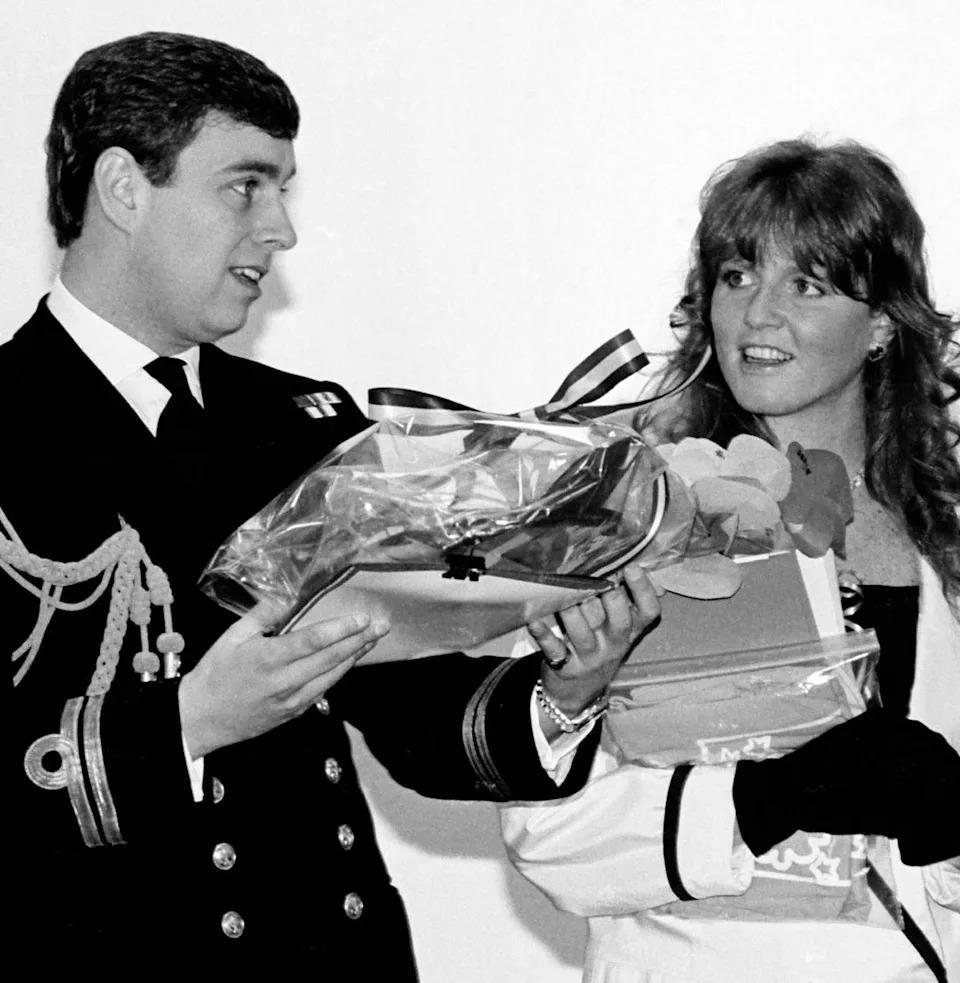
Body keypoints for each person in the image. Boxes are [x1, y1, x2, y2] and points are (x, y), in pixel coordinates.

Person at [4, 32, 661, 975]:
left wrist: (564, 689)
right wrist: (185, 723)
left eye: (284, 189)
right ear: (123, 188)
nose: (281, 229)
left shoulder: (298, 420)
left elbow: (398, 695)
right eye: (246, 185)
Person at [500, 138, 960, 982]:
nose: (758, 314)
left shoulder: (948, 548)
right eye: (738, 275)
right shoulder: (631, 523)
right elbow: (549, 835)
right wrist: (769, 798)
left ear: (884, 323)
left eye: (807, 284)